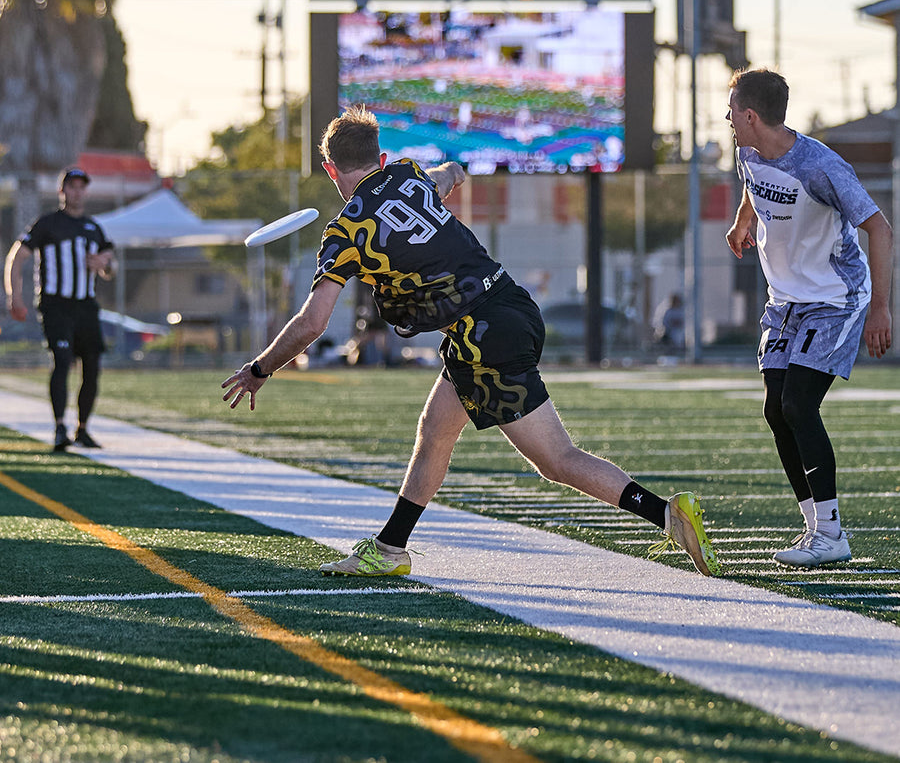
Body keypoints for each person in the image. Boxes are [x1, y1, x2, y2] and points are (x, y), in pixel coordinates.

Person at [223, 105, 721, 577]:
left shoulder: (346, 231)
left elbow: (312, 323)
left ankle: (667, 514)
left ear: (330, 170)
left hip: (480, 333)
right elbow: (450, 173)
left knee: (555, 460)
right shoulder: (409, 175)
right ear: (380, 159)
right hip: (510, 306)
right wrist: (454, 171)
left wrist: (260, 369)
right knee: (436, 429)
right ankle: (391, 548)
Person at [724, 68, 893, 568]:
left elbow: (879, 229)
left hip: (835, 298)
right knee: (776, 410)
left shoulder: (822, 167)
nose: (728, 118)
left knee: (799, 404)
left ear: (751, 116)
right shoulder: (747, 152)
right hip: (785, 301)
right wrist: (742, 221)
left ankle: (833, 534)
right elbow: (753, 186)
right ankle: (816, 529)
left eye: (732, 110)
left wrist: (881, 307)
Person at [4, 168, 116, 451]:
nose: (77, 192)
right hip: (56, 304)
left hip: (86, 304)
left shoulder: (93, 227)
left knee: (92, 366)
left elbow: (110, 267)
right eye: (71, 186)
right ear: (62, 191)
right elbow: (17, 256)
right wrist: (14, 295)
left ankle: (83, 428)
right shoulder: (48, 224)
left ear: (85, 191)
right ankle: (58, 427)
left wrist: (105, 263)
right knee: (62, 360)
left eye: (81, 187)